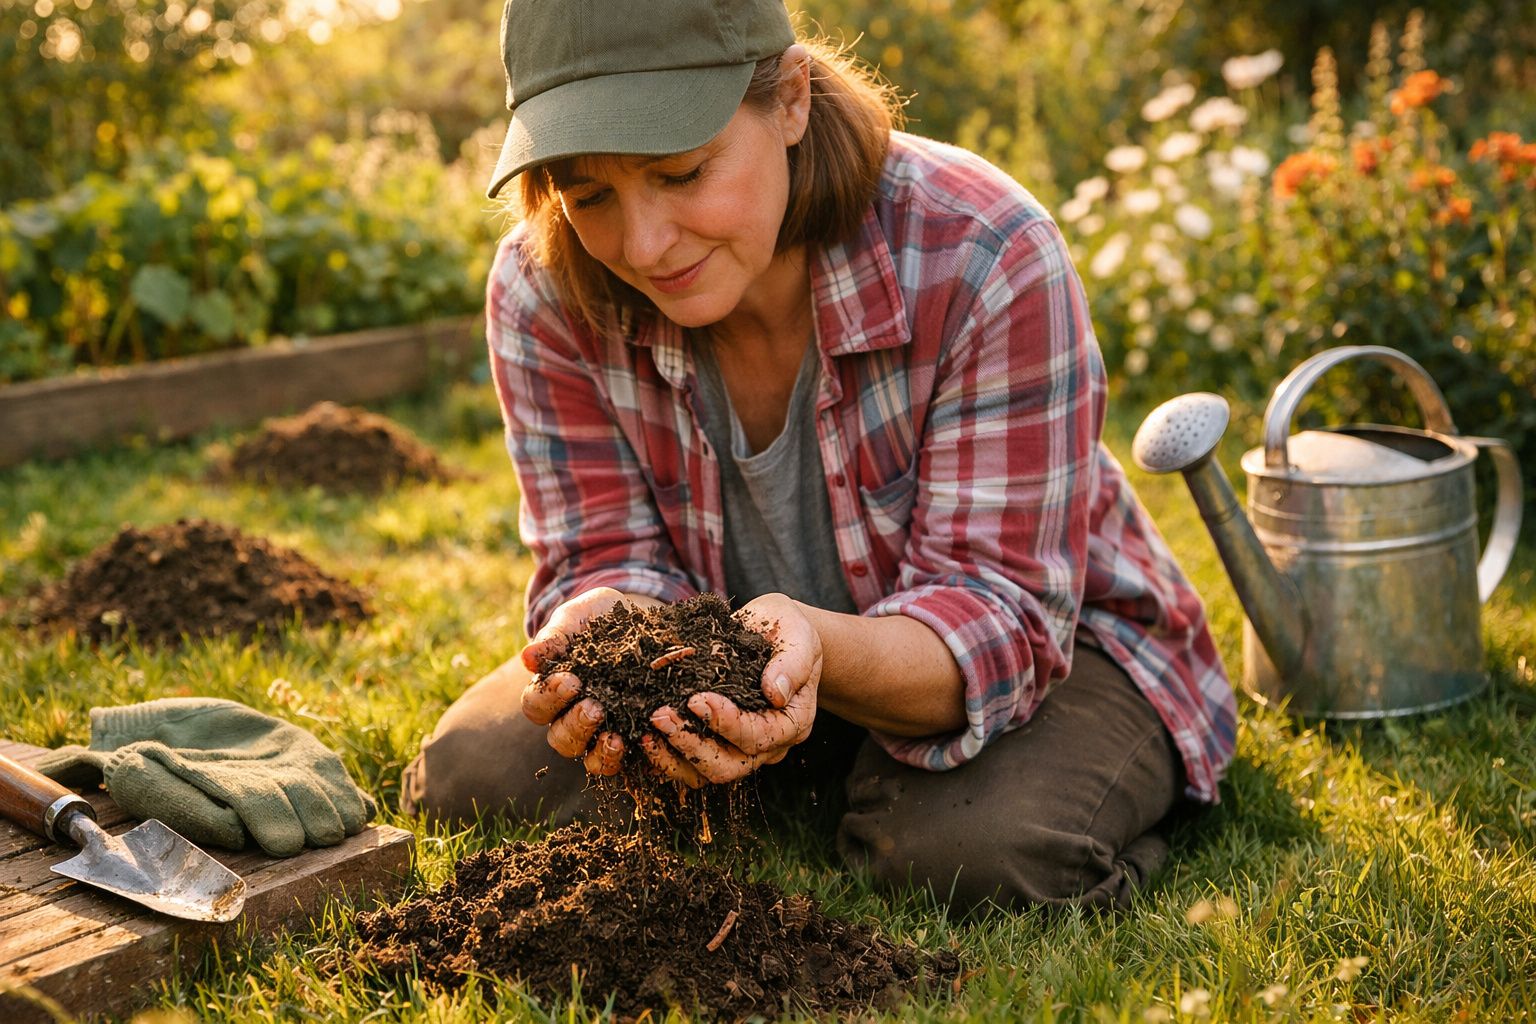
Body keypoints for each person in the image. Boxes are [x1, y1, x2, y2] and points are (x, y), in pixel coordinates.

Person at [402, 0, 1237, 912]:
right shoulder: (544, 286)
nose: (642, 245)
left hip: (1052, 650)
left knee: (968, 852)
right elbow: (604, 554)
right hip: (747, 663)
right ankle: (808, 767)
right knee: (471, 776)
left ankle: (1024, 795)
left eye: (680, 171)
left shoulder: (985, 252)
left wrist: (818, 653)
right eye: (588, 192)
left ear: (791, 97)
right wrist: (603, 622)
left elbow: (1002, 615)